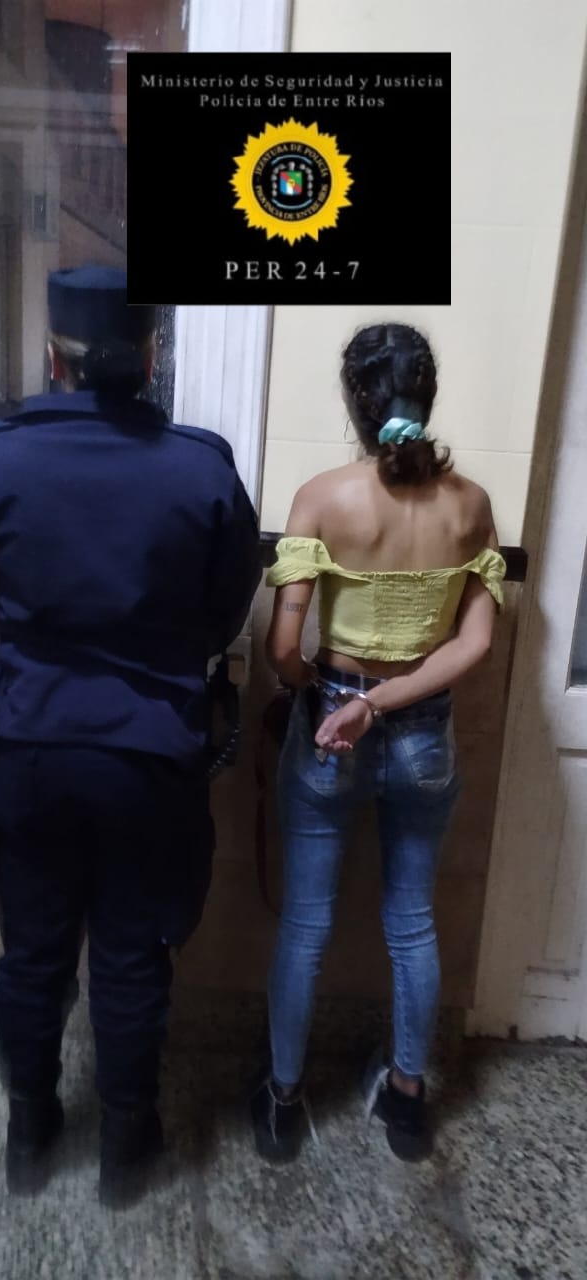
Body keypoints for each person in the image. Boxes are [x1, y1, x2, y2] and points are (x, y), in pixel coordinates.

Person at [0, 265, 261, 1204]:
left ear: (55, 358)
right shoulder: (202, 468)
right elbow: (225, 613)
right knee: (131, 954)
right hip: (151, 758)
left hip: (32, 746)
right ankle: (126, 1149)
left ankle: (28, 1135)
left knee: (31, 952)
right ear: (151, 357)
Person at [250, 322, 506, 1165]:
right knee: (413, 924)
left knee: (305, 927)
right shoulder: (472, 506)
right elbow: (475, 645)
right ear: (425, 395)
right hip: (426, 736)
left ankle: (283, 1103)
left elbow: (283, 649)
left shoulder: (323, 497)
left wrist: (329, 698)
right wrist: (390, 701)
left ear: (354, 400)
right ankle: (406, 1103)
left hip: (332, 725)